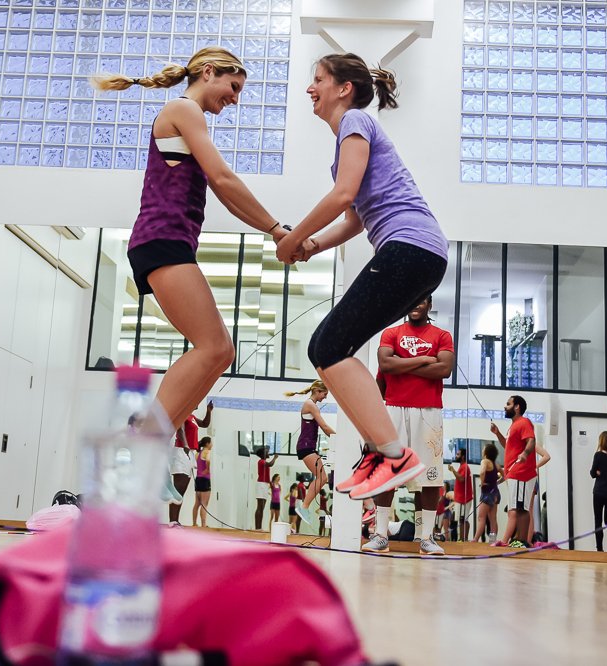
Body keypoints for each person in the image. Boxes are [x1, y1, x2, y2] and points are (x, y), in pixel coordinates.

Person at [276, 53, 449, 503]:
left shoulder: (355, 121)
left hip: (411, 248)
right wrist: (312, 245)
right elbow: (355, 217)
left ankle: (393, 454)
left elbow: (343, 195)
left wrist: (295, 236)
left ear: (343, 87)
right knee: (326, 348)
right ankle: (381, 451)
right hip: (414, 253)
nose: (310, 89)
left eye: (317, 80)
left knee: (329, 345)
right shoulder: (345, 144)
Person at [92, 48, 285, 436]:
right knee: (212, 347)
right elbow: (224, 179)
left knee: (222, 351)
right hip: (160, 240)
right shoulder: (184, 110)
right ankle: (144, 437)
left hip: (168, 242)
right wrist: (278, 229)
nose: (235, 98)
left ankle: (158, 440)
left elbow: (226, 194)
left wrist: (274, 230)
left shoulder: (190, 117)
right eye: (233, 87)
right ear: (209, 72)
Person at [365, 296, 453, 556]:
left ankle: (426, 538)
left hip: (428, 411)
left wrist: (401, 366)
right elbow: (385, 364)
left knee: (430, 478)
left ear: (429, 303)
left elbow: (444, 369)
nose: (415, 304)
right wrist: (426, 360)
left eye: (421, 301)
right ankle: (381, 534)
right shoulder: (391, 333)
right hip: (393, 409)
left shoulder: (442, 335)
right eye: (411, 300)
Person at [284, 380, 335, 526]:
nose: (325, 397)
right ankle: (304, 506)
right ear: (318, 391)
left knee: (322, 477)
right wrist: (340, 438)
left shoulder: (312, 405)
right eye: (324, 394)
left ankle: (304, 506)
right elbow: (324, 427)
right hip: (305, 447)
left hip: (308, 447)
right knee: (323, 477)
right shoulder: (310, 405)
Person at [490, 395, 535, 548]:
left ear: (517, 407)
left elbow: (531, 440)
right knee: (517, 506)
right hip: (514, 473)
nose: (505, 406)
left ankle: (522, 541)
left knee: (520, 508)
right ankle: (519, 540)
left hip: (522, 472)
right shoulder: (513, 426)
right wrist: (497, 433)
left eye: (508, 404)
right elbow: (508, 446)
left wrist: (525, 454)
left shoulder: (524, 422)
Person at [166, 402, 212, 526]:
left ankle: (175, 520)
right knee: (178, 488)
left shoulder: (192, 417)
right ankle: (173, 520)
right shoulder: (184, 414)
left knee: (183, 489)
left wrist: (209, 411)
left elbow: (205, 424)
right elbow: (180, 430)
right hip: (181, 451)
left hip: (189, 452)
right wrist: (186, 445)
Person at [472, 443, 501, 543]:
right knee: (493, 519)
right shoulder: (496, 464)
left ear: (486, 452)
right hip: (496, 493)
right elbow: (505, 475)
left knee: (481, 517)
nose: (482, 450)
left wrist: (482, 482)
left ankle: (475, 539)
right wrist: (497, 482)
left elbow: (482, 472)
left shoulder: (485, 461)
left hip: (487, 493)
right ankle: (492, 541)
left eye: (483, 449)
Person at [449, 448, 473, 542]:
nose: (456, 456)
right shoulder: (462, 466)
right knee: (461, 519)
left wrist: (453, 470)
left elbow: (461, 479)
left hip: (464, 499)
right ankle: (462, 538)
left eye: (458, 454)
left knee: (463, 519)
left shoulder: (465, 467)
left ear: (463, 456)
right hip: (460, 499)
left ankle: (464, 539)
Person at [254, 447, 279, 530]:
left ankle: (259, 527)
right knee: (260, 507)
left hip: (264, 485)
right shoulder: (261, 461)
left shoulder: (263, 462)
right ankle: (257, 528)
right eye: (267, 452)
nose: (268, 453)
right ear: (262, 454)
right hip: (261, 484)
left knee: (262, 507)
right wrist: (275, 458)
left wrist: (271, 486)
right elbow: (270, 464)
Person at [192, 437, 212, 528]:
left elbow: (194, 465)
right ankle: (203, 524)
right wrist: (207, 469)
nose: (212, 445)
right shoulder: (207, 452)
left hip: (198, 479)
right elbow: (207, 460)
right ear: (207, 444)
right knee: (204, 503)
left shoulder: (198, 453)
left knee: (197, 503)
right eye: (211, 443)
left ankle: (194, 523)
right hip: (205, 479)